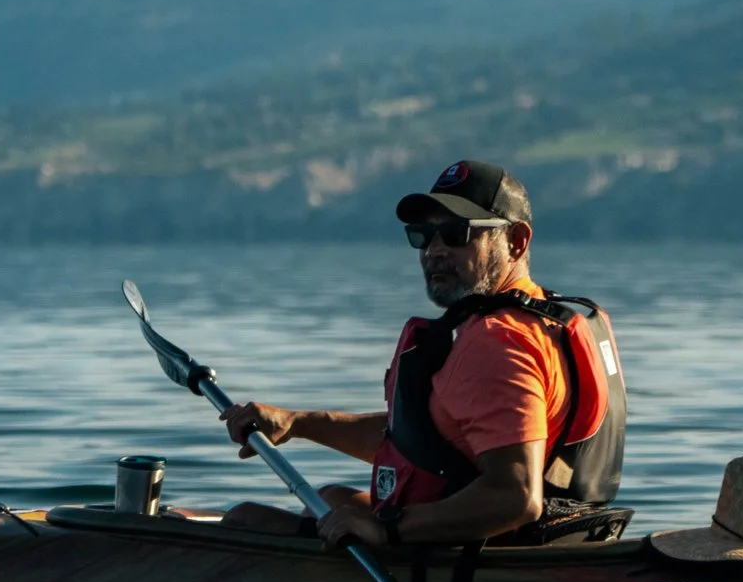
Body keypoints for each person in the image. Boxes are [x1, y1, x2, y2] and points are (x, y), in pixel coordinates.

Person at [220, 159, 626, 551]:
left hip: (484, 556)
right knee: (334, 497)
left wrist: (387, 530)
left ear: (516, 241)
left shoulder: (499, 342)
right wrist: (300, 423)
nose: (434, 250)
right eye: (423, 234)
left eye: (455, 233)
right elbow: (429, 439)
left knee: (245, 519)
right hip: (548, 538)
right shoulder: (538, 320)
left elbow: (515, 496)